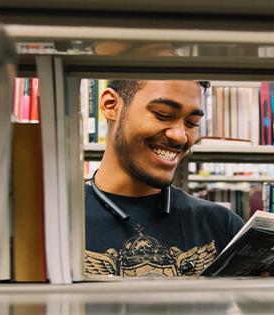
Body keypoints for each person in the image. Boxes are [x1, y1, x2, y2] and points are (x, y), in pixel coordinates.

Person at [83, 79, 246, 278]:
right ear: (111, 105)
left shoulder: (223, 226)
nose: (180, 136)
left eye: (191, 123)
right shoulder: (55, 223)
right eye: (163, 115)